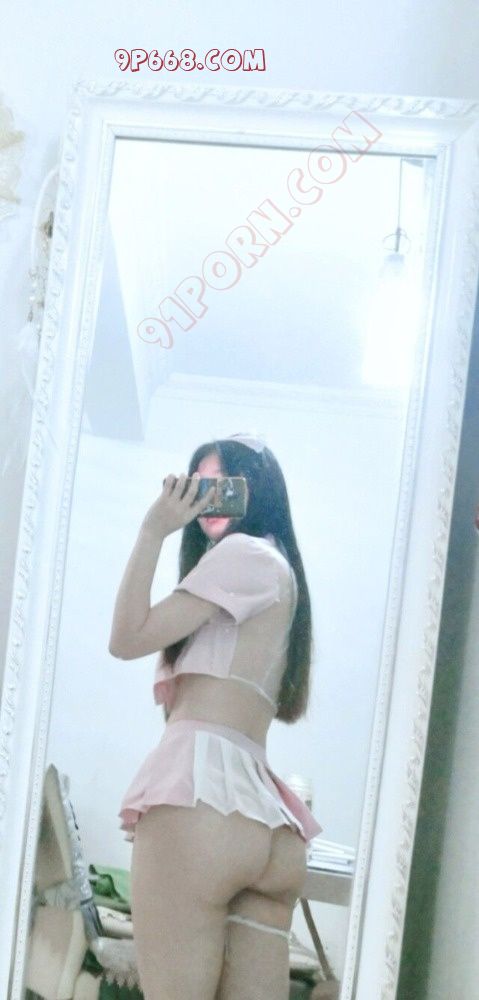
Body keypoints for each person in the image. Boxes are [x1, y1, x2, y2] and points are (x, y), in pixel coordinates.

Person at [109, 432, 323, 999]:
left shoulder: (242, 554)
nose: (206, 498)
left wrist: (153, 530)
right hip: (266, 826)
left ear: (257, 492)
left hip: (201, 809)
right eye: (198, 484)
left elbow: (125, 637)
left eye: (222, 484)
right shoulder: (280, 573)